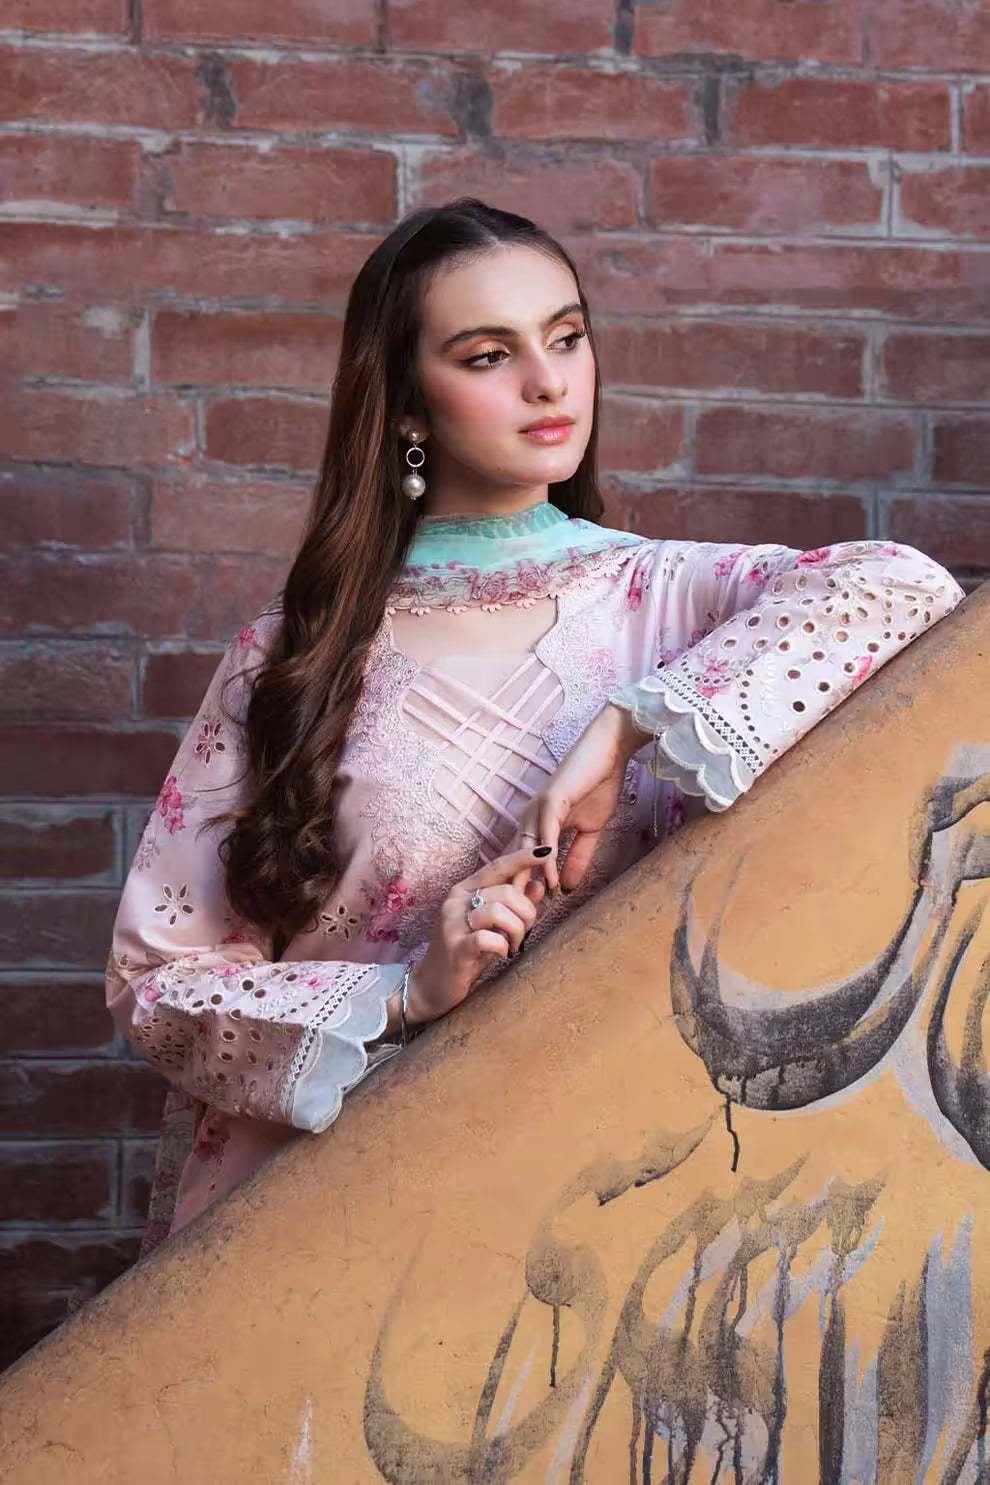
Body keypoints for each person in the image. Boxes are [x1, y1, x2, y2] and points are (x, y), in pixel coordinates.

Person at [106, 198, 965, 1244]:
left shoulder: (670, 601)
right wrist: (405, 992)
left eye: (565, 338)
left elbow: (905, 587)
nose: (549, 382)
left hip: (622, 1207)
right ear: (407, 405)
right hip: (348, 1211)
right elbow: (159, 982)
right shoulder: (291, 658)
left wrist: (627, 727)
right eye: (488, 355)